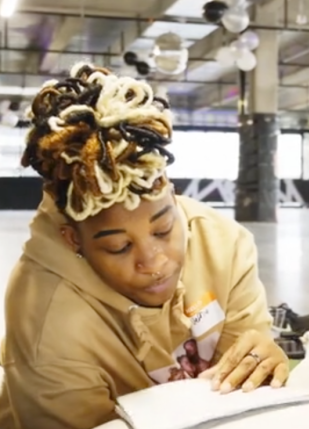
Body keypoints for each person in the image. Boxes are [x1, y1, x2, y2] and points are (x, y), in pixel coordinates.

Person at [0, 63, 289, 429]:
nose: (153, 262)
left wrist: (261, 364)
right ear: (74, 240)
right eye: (119, 247)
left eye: (164, 229)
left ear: (173, 194)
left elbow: (241, 395)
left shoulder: (224, 245)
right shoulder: (47, 321)